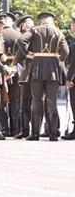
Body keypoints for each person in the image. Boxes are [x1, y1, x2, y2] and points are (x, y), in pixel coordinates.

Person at [25, 11, 69, 141]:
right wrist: (59, 58)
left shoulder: (34, 30)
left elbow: (21, 41)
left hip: (37, 70)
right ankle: (53, 134)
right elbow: (65, 51)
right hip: (53, 72)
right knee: (52, 103)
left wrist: (27, 53)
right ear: (51, 20)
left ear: (41, 21)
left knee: (36, 102)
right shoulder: (58, 32)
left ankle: (35, 134)